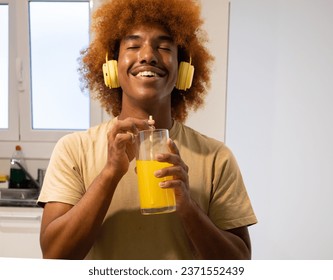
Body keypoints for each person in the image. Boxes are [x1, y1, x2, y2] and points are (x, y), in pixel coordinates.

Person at [38, 0, 257, 260]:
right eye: (133, 45)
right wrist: (109, 174)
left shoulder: (216, 157)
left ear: (183, 69)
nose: (148, 56)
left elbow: (239, 264)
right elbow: (54, 256)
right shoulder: (73, 149)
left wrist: (188, 206)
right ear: (111, 66)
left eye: (164, 47)